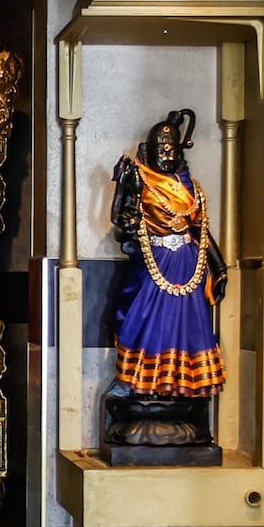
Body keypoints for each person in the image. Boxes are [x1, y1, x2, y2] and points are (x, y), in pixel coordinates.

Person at [109, 109, 227, 399]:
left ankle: (178, 389)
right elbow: (122, 227)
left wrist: (220, 267)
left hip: (188, 265)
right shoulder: (141, 181)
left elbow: (200, 230)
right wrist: (127, 192)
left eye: (171, 148)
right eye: (161, 148)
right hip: (152, 263)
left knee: (186, 329)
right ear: (149, 151)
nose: (167, 153)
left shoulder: (191, 187)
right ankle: (136, 383)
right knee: (141, 320)